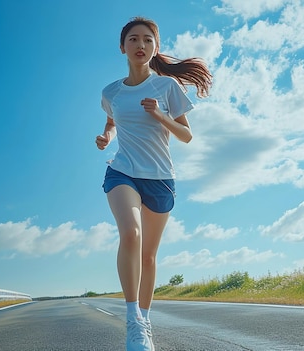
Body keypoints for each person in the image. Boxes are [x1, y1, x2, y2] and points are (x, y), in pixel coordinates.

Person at [95, 17, 212, 351]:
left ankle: (145, 320)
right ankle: (133, 321)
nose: (140, 45)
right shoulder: (111, 92)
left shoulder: (167, 88)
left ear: (155, 47)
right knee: (130, 234)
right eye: (133, 39)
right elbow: (111, 120)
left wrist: (160, 116)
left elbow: (187, 136)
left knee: (148, 255)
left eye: (147, 40)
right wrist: (106, 135)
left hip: (160, 177)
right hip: (123, 171)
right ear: (123, 47)